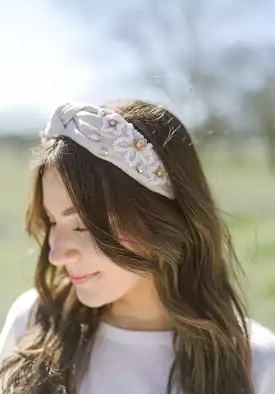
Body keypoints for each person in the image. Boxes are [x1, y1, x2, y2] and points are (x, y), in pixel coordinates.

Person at [0, 100, 274, 394]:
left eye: (82, 226)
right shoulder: (33, 322)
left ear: (161, 218)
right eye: (52, 221)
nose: (55, 255)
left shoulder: (256, 365)